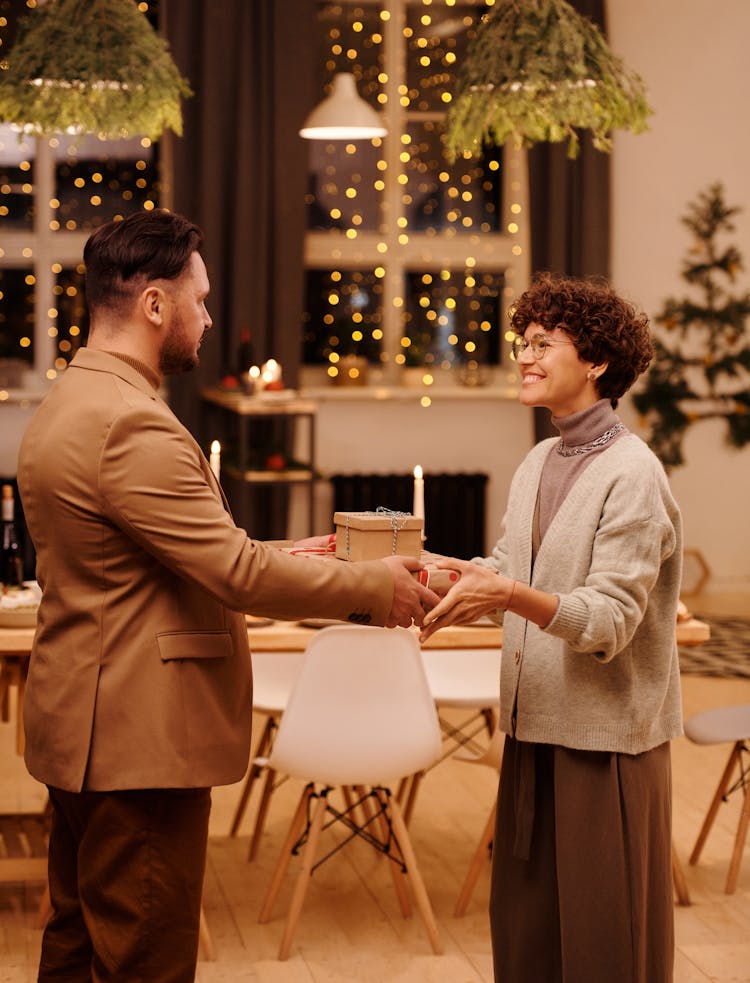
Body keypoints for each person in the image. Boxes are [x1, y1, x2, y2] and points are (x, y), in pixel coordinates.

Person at [17, 209, 438, 982]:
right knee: (146, 958)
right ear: (153, 304)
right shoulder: (130, 423)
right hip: (138, 742)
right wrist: (372, 587)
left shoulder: (72, 400)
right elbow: (236, 575)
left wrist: (287, 552)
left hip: (86, 726)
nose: (207, 318)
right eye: (199, 299)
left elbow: (163, 562)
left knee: (78, 947)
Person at [420, 272, 682, 983]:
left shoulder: (634, 474)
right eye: (522, 343)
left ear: (595, 361)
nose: (525, 357)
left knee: (605, 948)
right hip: (533, 730)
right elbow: (509, 566)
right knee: (530, 941)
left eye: (543, 344)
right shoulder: (539, 460)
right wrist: (430, 571)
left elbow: (609, 621)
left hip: (606, 747)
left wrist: (507, 591)